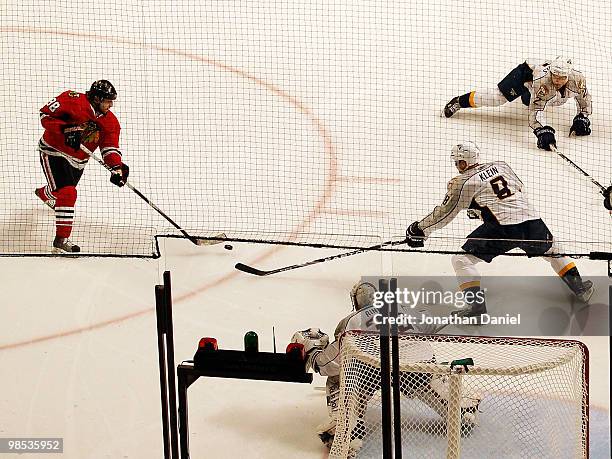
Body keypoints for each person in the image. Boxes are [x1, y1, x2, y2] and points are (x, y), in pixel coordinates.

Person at [405, 141, 594, 321]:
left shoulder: (462, 182)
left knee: (461, 260)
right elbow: (518, 187)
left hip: (503, 228)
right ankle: (580, 289)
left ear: (463, 162)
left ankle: (476, 309)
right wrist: (481, 208)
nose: (457, 166)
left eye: (457, 162)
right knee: (554, 251)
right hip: (531, 219)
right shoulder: (501, 165)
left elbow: (445, 214)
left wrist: (420, 229)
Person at [291, 281, 480, 454]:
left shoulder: (351, 320)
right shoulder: (406, 310)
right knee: (427, 374)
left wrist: (313, 351)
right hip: (416, 365)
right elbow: (431, 323)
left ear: (356, 302)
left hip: (371, 370)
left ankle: (347, 430)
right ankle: (459, 410)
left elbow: (329, 364)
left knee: (340, 376)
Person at [35, 80, 130, 253]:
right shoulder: (72, 99)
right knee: (68, 192)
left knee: (62, 193)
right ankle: (61, 240)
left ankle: (44, 193)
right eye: (108, 100)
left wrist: (116, 167)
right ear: (97, 98)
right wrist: (65, 129)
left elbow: (109, 148)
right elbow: (45, 115)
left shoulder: (111, 122)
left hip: (78, 161)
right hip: (53, 151)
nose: (111, 104)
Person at [443, 57, 592, 151]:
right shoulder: (543, 81)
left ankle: (527, 94)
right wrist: (542, 130)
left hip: (535, 86)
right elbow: (537, 109)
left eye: (562, 77)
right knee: (497, 98)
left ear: (569, 75)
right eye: (555, 76)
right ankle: (459, 102)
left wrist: (582, 116)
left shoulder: (578, 79)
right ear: (551, 73)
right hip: (525, 74)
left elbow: (584, 98)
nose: (558, 80)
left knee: (557, 100)